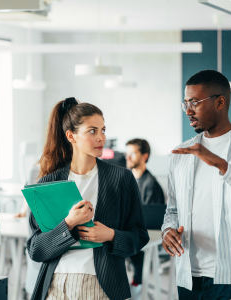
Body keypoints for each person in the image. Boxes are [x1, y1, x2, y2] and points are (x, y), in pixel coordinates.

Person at [27, 97, 149, 300]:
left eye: (103, 130)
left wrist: (110, 235)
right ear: (71, 136)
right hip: (55, 286)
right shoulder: (46, 184)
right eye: (92, 131)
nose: (101, 137)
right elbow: (35, 250)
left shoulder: (121, 179)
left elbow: (139, 236)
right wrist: (68, 224)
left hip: (102, 285)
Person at [162, 70, 231, 300]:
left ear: (220, 102)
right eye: (185, 103)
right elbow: (172, 209)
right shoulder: (182, 152)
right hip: (189, 278)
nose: (188, 111)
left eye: (195, 102)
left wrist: (222, 165)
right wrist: (167, 231)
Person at [125, 138, 165, 298]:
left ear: (144, 156)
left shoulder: (151, 184)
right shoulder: (128, 180)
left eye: (132, 153)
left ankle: (136, 284)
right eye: (126, 153)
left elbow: (150, 221)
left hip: (145, 239)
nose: (127, 157)